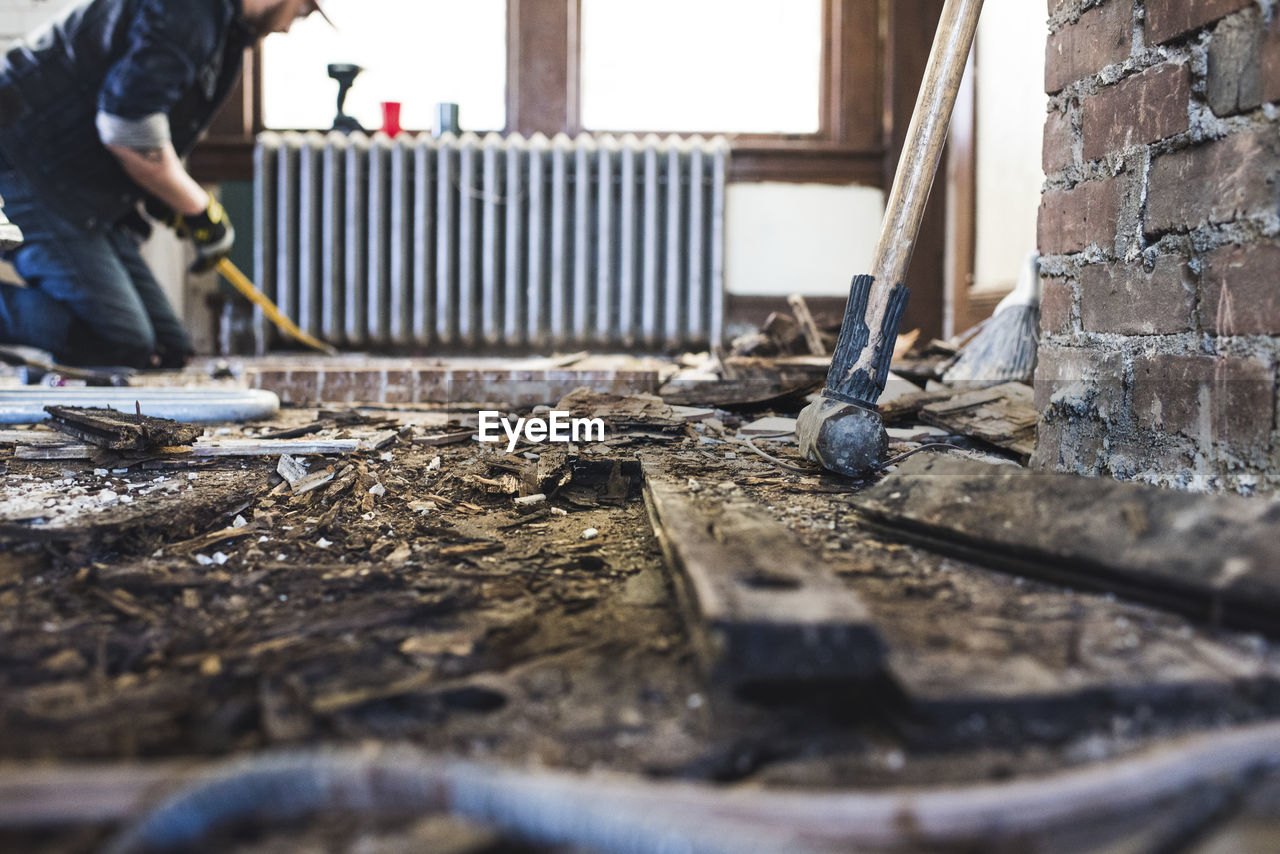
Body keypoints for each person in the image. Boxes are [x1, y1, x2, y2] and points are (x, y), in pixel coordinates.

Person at [0, 0, 331, 369]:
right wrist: (199, 209)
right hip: (27, 166)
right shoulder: (193, 9)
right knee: (122, 341)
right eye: (301, 12)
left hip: (78, 186)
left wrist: (163, 195)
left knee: (167, 349)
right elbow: (126, 127)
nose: (288, 27)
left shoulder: (223, 26)